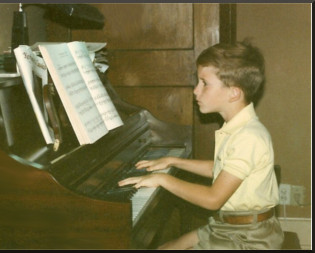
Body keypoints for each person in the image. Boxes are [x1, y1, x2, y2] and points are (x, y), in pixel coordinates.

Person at [118, 40, 284, 249]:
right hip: (229, 227)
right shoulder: (237, 127)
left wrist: (163, 180)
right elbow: (219, 169)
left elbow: (212, 199)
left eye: (204, 83)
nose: (196, 91)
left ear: (234, 93)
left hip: (249, 238)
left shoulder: (249, 137)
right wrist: (173, 161)